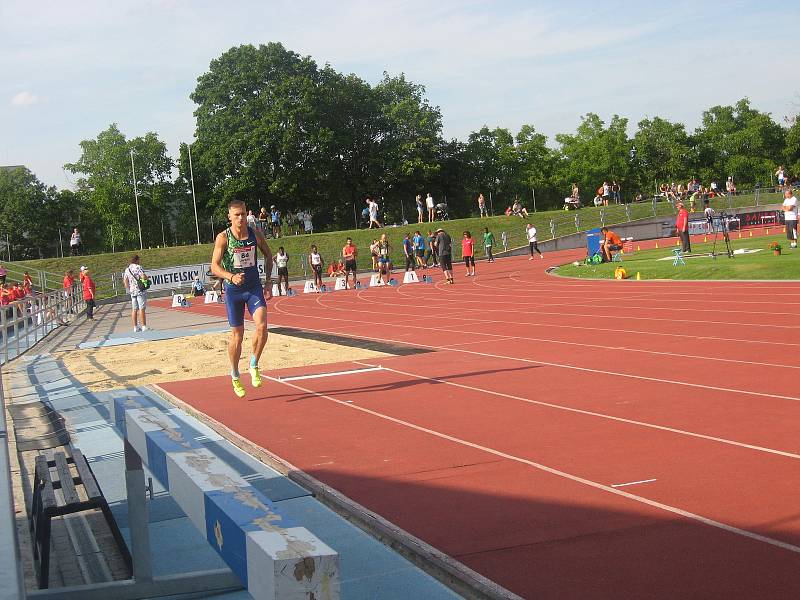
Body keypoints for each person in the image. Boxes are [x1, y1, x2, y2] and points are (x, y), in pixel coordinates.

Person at [210, 199, 273, 398]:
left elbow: (269, 256)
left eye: (243, 214)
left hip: (253, 287)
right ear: (229, 216)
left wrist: (269, 281)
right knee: (237, 335)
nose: (241, 218)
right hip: (233, 291)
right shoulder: (223, 237)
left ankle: (254, 363)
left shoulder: (255, 234)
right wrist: (231, 277)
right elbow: (214, 266)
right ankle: (235, 374)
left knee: (262, 326)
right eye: (236, 215)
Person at [123, 255, 150, 332]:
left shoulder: (127, 269)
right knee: (142, 308)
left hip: (132, 291)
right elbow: (143, 276)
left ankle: (135, 327)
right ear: (137, 260)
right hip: (140, 290)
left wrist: (129, 289)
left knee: (134, 309)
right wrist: (147, 279)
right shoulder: (138, 267)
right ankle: (144, 326)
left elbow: (125, 281)